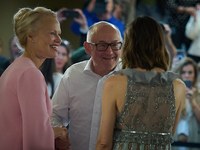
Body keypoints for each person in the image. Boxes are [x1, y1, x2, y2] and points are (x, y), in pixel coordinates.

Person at [96, 16, 186, 150]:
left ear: (130, 44)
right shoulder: (179, 87)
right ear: (160, 44)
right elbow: (168, 137)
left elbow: (104, 143)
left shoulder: (114, 83)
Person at [0, 7, 69, 150]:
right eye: (52, 33)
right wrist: (57, 132)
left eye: (59, 34)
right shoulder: (30, 74)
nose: (59, 39)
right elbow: (35, 141)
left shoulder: (14, 69)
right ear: (30, 36)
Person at [51, 21, 123, 150]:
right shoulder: (73, 74)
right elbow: (55, 114)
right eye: (102, 45)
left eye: (114, 45)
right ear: (87, 47)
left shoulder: (130, 77)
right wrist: (58, 137)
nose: (110, 51)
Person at [57, 0, 125, 46]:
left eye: (105, 2)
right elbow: (74, 29)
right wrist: (87, 10)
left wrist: (108, 15)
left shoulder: (117, 23)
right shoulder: (88, 19)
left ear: (112, 5)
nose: (102, 4)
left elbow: (117, 38)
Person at [173, 57, 200, 149]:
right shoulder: (173, 92)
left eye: (190, 72)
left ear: (195, 75)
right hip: (175, 140)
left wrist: (192, 102)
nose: (187, 76)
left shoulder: (198, 94)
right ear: (179, 74)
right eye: (183, 72)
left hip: (192, 140)